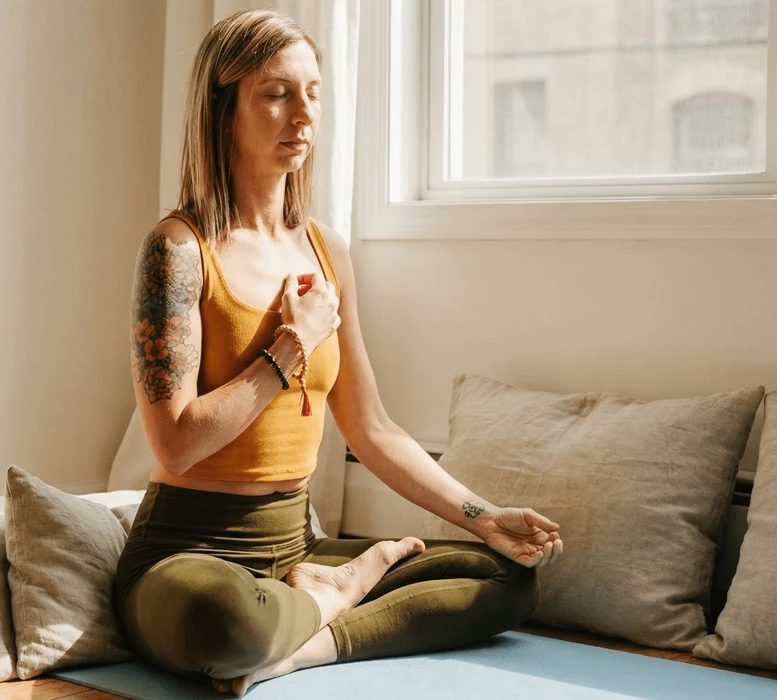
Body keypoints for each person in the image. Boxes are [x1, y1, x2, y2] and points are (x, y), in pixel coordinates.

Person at [113, 8, 564, 696]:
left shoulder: (327, 253)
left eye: (313, 93)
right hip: (189, 553)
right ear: (222, 105)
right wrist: (287, 351)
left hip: (297, 544)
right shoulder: (178, 250)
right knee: (221, 623)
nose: (303, 115)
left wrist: (486, 515)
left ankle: (298, 645)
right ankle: (332, 597)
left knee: (504, 579)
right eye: (276, 94)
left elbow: (373, 429)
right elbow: (174, 445)